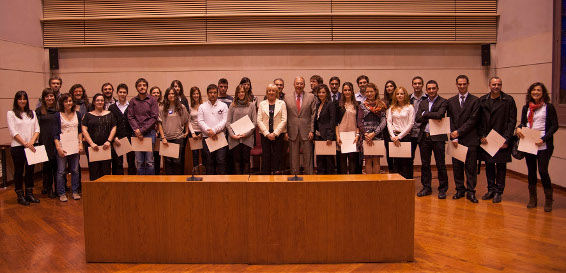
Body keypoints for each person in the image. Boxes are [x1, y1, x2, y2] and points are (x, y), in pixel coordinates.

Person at [516, 82, 559, 212]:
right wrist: (518, 129)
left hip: (543, 144)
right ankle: (533, 198)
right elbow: (523, 123)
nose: (536, 92)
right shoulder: (526, 107)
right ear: (530, 92)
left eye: (538, 90)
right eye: (534, 90)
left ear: (543, 93)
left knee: (543, 171)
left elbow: (554, 126)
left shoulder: (548, 107)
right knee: (531, 171)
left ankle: (548, 199)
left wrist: (543, 139)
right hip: (529, 143)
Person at [478, 77, 517, 203]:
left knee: (500, 166)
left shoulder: (508, 100)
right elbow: (479, 121)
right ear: (489, 85)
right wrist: (481, 135)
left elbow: (512, 121)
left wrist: (507, 139)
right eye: (494, 84)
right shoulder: (482, 100)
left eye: (499, 84)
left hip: (501, 139)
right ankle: (490, 189)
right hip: (487, 139)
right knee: (489, 165)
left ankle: (498, 192)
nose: (496, 86)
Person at [447, 75, 480, 203]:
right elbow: (450, 119)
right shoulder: (451, 101)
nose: (462, 86)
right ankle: (460, 189)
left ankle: (471, 192)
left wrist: (458, 132)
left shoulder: (475, 100)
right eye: (459, 84)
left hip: (470, 138)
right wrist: (454, 136)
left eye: (464, 84)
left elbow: (473, 120)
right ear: (456, 84)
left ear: (468, 84)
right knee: (457, 167)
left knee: (470, 167)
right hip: (456, 140)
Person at [415, 80, 449, 198]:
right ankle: (426, 187)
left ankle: (442, 189)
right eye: (429, 89)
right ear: (426, 90)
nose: (431, 91)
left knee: (441, 164)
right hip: (424, 136)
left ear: (437, 89)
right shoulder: (423, 102)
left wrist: (425, 114)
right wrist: (427, 114)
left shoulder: (443, 101)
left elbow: (440, 115)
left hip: (438, 137)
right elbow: (418, 118)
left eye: (433, 88)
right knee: (425, 164)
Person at [7, 91, 40, 205]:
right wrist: (25, 143)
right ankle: (20, 196)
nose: (22, 101)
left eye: (24, 99)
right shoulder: (11, 113)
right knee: (19, 171)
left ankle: (29, 194)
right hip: (18, 147)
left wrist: (31, 142)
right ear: (16, 100)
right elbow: (13, 131)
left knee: (30, 171)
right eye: (20, 99)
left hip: (31, 146)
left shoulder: (32, 113)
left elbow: (37, 129)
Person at [54, 93, 83, 201]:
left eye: (70, 101)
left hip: (74, 145)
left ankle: (75, 191)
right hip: (62, 146)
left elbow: (80, 130)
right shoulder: (58, 115)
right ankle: (62, 193)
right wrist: (58, 148)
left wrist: (80, 143)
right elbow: (55, 133)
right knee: (61, 171)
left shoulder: (78, 114)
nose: (68, 103)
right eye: (66, 101)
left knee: (75, 170)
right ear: (62, 103)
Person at [284, 76, 316, 175]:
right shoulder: (287, 97)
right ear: (294, 85)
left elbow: (313, 115)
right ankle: (295, 178)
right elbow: (284, 115)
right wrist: (285, 131)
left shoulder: (311, 97)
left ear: (304, 85)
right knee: (293, 158)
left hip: (307, 132)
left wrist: (312, 130)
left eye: (301, 83)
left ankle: (309, 178)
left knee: (308, 158)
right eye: (297, 83)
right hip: (292, 132)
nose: (299, 85)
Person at [127, 79, 159, 175]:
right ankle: (141, 184)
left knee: (149, 161)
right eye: (139, 85)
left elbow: (154, 117)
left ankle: (150, 184)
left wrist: (142, 131)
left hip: (149, 133)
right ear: (136, 87)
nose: (142, 87)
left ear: (147, 87)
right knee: (139, 162)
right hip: (136, 134)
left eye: (144, 85)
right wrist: (137, 131)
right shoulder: (133, 101)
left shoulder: (152, 100)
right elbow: (130, 117)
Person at [82, 93, 117, 181]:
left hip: (106, 146)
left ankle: (106, 192)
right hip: (92, 147)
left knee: (106, 170)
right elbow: (84, 130)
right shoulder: (87, 115)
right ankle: (95, 193)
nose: (100, 102)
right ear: (93, 102)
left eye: (102, 100)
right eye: (97, 100)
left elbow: (114, 127)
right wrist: (91, 143)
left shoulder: (110, 114)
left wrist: (109, 141)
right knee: (94, 170)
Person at [198, 84, 229, 175]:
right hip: (207, 137)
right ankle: (210, 185)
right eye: (211, 92)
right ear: (207, 94)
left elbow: (225, 120)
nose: (213, 94)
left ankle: (221, 185)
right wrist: (209, 131)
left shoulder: (223, 106)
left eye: (215, 92)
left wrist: (214, 130)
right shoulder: (202, 107)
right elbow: (200, 121)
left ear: (217, 93)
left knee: (221, 161)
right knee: (209, 162)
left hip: (220, 137)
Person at [158, 88, 190, 175]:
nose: (171, 95)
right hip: (166, 139)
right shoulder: (162, 108)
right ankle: (169, 183)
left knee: (177, 161)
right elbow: (159, 123)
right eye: (169, 94)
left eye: (173, 94)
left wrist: (186, 132)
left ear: (176, 96)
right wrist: (163, 137)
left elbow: (186, 120)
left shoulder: (181, 107)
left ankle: (178, 182)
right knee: (168, 162)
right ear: (166, 96)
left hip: (178, 138)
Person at [226, 85, 257, 174]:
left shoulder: (251, 105)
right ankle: (238, 183)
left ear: (245, 93)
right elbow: (228, 123)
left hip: (247, 138)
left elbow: (254, 122)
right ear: (236, 93)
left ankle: (246, 182)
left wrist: (246, 134)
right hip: (235, 139)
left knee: (246, 160)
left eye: (242, 92)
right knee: (236, 161)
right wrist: (233, 135)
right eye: (239, 92)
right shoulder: (232, 106)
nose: (241, 94)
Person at [357, 83, 387, 174]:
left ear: (375, 92)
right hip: (366, 136)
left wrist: (374, 133)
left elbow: (383, 121)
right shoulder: (362, 105)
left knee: (376, 160)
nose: (369, 93)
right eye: (367, 92)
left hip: (377, 135)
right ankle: (369, 183)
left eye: (371, 91)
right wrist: (366, 134)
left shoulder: (381, 105)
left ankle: (376, 184)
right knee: (368, 160)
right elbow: (359, 121)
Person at [257, 84, 287, 174]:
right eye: (269, 90)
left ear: (277, 92)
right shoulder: (262, 104)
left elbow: (284, 120)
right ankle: (266, 176)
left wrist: (275, 133)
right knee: (266, 156)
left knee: (277, 156)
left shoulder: (282, 103)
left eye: (273, 91)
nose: (271, 92)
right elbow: (259, 120)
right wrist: (267, 134)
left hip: (278, 135)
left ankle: (276, 176)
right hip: (265, 135)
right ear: (266, 92)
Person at [386, 87, 415, 179]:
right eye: (398, 94)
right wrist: (393, 136)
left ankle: (407, 186)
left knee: (406, 163)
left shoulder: (410, 107)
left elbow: (411, 123)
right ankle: (396, 187)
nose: (399, 96)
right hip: (394, 138)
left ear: (405, 95)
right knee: (396, 163)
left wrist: (400, 136)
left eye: (401, 94)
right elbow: (389, 122)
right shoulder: (391, 108)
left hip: (406, 137)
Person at [108, 83, 136, 175]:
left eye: (124, 92)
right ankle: (118, 184)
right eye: (120, 92)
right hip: (117, 137)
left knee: (131, 161)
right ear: (117, 93)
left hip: (130, 137)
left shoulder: (131, 106)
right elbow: (110, 124)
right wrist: (114, 137)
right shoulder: (112, 107)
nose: (122, 94)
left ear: (127, 93)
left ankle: (132, 182)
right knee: (117, 162)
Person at [36, 88, 59, 198]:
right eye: (47, 96)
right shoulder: (39, 111)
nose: (50, 98)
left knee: (57, 166)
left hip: (57, 141)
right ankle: (48, 188)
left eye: (51, 96)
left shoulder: (58, 110)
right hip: (45, 141)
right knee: (47, 166)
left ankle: (58, 188)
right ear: (44, 98)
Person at [336, 82, 360, 174]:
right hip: (342, 136)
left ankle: (352, 185)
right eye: (345, 90)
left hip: (353, 136)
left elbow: (358, 122)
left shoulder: (357, 105)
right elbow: (336, 123)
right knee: (342, 163)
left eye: (349, 90)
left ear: (352, 91)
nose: (347, 92)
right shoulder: (338, 105)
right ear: (342, 91)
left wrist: (357, 134)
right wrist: (337, 136)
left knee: (353, 163)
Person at [313, 84, 336, 174]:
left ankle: (330, 182)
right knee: (320, 160)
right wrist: (315, 136)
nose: (321, 94)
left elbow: (332, 121)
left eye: (323, 92)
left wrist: (330, 136)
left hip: (327, 136)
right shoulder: (318, 105)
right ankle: (320, 180)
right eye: (319, 92)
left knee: (329, 160)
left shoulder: (330, 104)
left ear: (327, 94)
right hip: (318, 136)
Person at [409, 76, 427, 179]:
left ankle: (425, 185)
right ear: (412, 85)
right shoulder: (408, 98)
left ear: (422, 85)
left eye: (419, 83)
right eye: (415, 83)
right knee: (409, 159)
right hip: (411, 133)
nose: (417, 85)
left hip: (423, 133)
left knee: (425, 161)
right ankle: (409, 181)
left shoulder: (428, 98)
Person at [188, 86, 205, 170]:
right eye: (194, 94)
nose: (196, 95)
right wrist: (193, 133)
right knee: (195, 155)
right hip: (193, 133)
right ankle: (196, 172)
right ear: (191, 95)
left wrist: (202, 132)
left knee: (204, 154)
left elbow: (205, 120)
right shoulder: (189, 106)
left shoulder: (204, 105)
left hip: (203, 133)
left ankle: (204, 172)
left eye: (197, 93)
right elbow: (189, 121)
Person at [383, 80, 397, 173]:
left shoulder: (400, 100)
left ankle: (398, 171)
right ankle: (391, 170)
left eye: (391, 86)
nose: (389, 88)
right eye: (387, 86)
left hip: (398, 129)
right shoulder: (383, 102)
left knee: (398, 151)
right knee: (389, 151)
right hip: (386, 130)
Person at [150, 86, 163, 175]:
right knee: (149, 157)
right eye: (154, 93)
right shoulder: (148, 104)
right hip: (150, 132)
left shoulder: (163, 105)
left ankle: (157, 174)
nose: (156, 94)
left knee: (158, 155)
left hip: (160, 134)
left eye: (158, 93)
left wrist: (159, 132)